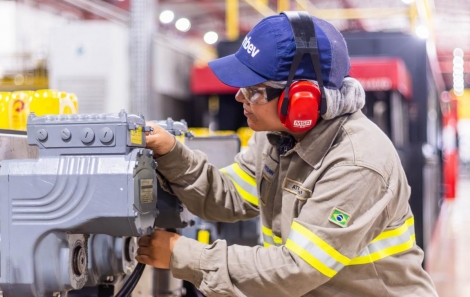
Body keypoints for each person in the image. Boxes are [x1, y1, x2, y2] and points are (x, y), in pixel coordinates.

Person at [136, 11, 438, 297]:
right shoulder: (276, 139)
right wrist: (171, 152)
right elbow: (227, 196)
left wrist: (186, 255)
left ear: (301, 101)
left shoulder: (358, 164)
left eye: (254, 90)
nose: (240, 96)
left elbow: (295, 270)